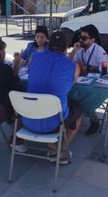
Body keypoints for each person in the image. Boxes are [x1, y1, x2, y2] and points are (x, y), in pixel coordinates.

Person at [22, 31, 82, 164]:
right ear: (66, 48)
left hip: (27, 119)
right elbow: (70, 84)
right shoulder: (73, 66)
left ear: (49, 45)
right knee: (77, 109)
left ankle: (52, 147)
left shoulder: (35, 57)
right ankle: (62, 150)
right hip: (53, 123)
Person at [68, 24, 108, 135]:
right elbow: (68, 64)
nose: (81, 40)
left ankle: (94, 121)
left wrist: (89, 68)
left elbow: (105, 68)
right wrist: (73, 51)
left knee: (86, 98)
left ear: (92, 39)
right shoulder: (79, 49)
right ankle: (72, 117)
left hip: (94, 81)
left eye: (84, 38)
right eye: (80, 37)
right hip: (80, 79)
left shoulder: (99, 51)